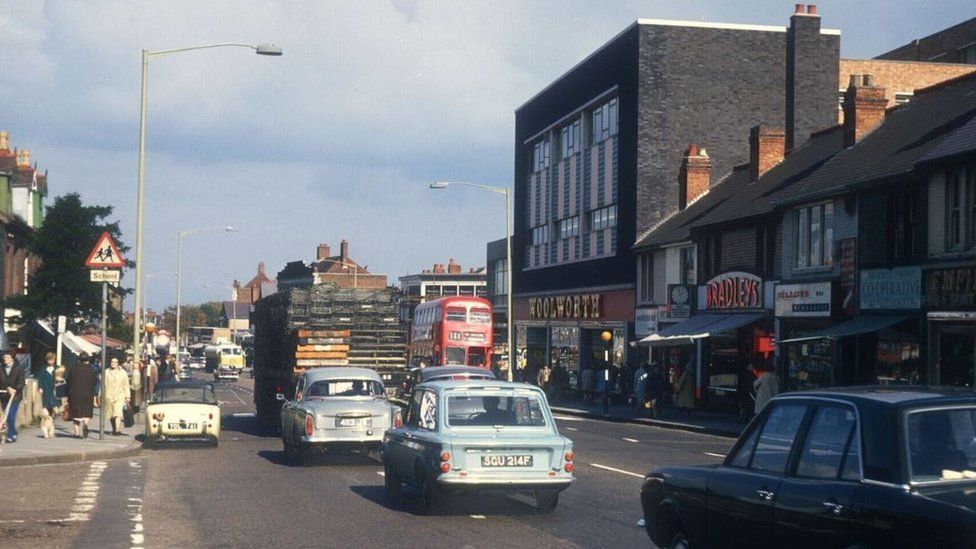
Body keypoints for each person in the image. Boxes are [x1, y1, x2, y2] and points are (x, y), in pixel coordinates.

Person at [66, 358, 97, 438]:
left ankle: (76, 433)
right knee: (86, 413)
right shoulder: (91, 370)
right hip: (88, 394)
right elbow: (95, 382)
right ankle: (85, 425)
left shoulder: (73, 369)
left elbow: (68, 381)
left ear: (79, 360)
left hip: (75, 394)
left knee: (76, 414)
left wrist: (67, 393)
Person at [0, 351, 25, 443]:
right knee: (6, 416)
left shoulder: (18, 369)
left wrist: (15, 389)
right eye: (4, 357)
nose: (5, 359)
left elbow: (22, 382)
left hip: (15, 397)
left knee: (11, 415)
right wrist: (6, 388)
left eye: (7, 357)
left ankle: (10, 435)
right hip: (3, 395)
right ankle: (13, 432)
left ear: (12, 358)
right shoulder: (1, 368)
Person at [103, 358, 130, 435]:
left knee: (117, 413)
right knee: (111, 414)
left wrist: (127, 396)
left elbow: (126, 385)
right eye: (112, 362)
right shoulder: (106, 372)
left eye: (115, 362)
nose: (113, 363)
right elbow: (103, 385)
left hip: (119, 395)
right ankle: (114, 429)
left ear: (118, 363)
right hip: (109, 395)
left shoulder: (123, 373)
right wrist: (100, 395)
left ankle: (117, 430)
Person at [37, 352, 60, 418]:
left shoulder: (58, 368)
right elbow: (40, 378)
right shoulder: (43, 369)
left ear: (54, 359)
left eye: (51, 359)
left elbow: (63, 379)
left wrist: (59, 379)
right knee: (46, 405)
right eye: (48, 359)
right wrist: (40, 387)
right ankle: (49, 419)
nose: (50, 361)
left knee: (54, 405)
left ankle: (52, 418)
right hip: (46, 389)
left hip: (55, 389)